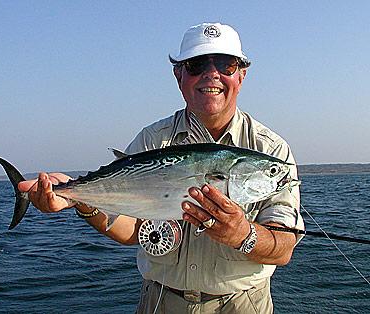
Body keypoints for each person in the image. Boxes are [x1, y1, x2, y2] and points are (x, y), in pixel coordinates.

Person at [19, 22, 304, 313]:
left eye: (225, 64)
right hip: (161, 301)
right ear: (179, 76)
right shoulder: (153, 140)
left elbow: (283, 248)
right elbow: (132, 230)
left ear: (241, 75)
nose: (211, 73)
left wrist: (244, 234)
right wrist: (79, 200)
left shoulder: (271, 151)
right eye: (196, 65)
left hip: (242, 305)